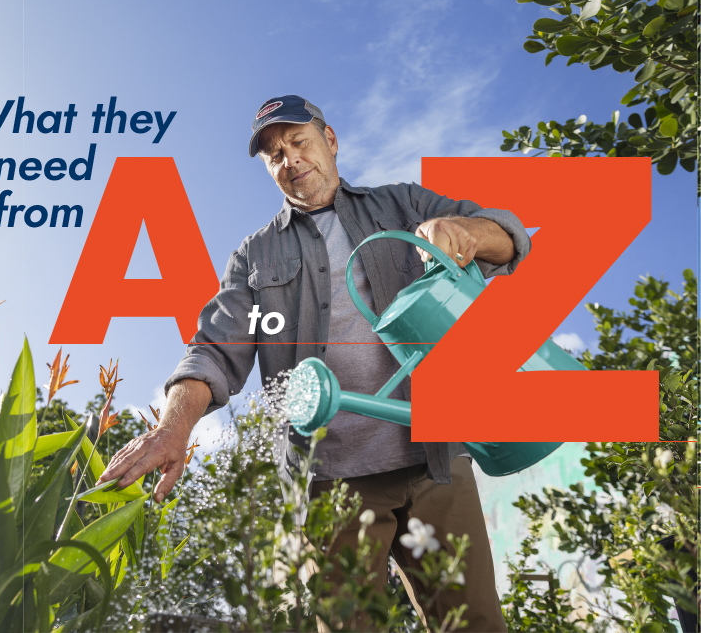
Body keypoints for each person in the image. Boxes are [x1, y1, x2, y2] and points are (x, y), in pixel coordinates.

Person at [99, 95, 530, 632]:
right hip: (329, 480)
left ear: (329, 140)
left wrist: (468, 233)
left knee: (477, 625)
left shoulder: (401, 205)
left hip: (435, 461)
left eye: (298, 141)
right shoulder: (253, 256)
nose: (289, 160)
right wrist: (172, 428)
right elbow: (214, 347)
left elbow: (508, 236)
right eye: (273, 154)